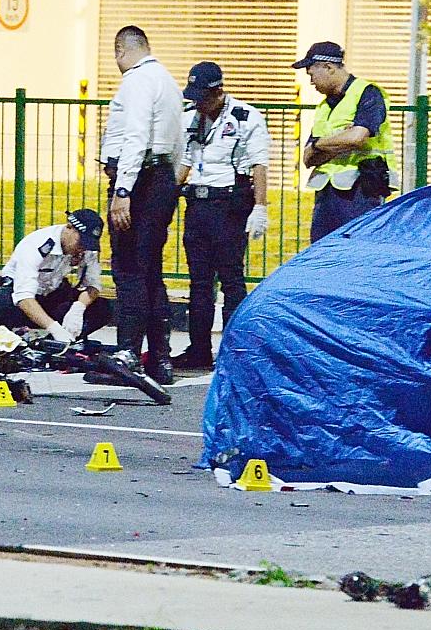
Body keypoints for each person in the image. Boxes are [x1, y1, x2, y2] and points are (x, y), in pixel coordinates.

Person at [171, 62, 270, 371]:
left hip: (230, 204)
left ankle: (234, 351)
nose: (198, 103)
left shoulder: (245, 117)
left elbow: (259, 164)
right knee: (199, 283)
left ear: (218, 92)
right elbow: (185, 161)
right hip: (198, 205)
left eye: (203, 97)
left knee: (231, 280)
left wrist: (260, 206)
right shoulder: (191, 119)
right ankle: (198, 349)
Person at [101, 26, 183, 385]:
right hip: (162, 179)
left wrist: (123, 190)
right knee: (151, 271)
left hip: (139, 181)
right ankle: (159, 359)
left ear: (121, 50)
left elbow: (135, 137)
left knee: (129, 269)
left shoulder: (135, 81)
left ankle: (128, 354)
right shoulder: (167, 81)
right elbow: (179, 142)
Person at [294, 41, 396, 242]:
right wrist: (330, 142)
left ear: (328, 67)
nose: (311, 82)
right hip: (327, 194)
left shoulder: (368, 93)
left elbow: (357, 137)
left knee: (356, 252)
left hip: (362, 191)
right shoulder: (324, 107)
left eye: (311, 74)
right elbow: (307, 157)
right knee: (322, 254)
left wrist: (322, 144)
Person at [0, 209, 112, 342]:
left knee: (101, 308)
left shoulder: (86, 248)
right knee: (0, 304)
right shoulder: (36, 244)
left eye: (87, 244)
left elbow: (93, 285)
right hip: (18, 299)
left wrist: (78, 308)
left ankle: (57, 344)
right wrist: (54, 328)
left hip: (51, 294)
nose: (82, 248)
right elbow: (23, 297)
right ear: (69, 227)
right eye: (80, 242)